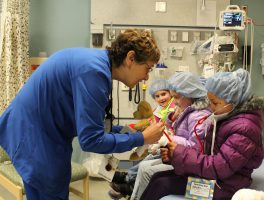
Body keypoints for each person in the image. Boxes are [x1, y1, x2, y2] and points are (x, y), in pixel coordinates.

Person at [0, 29, 165, 200]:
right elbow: (91, 140)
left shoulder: (98, 65)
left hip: (45, 132)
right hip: (35, 136)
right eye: (147, 68)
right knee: (49, 190)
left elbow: (92, 124)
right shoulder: (94, 71)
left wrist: (130, 132)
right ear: (131, 58)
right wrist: (142, 138)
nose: (146, 77)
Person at [141, 69, 264, 200]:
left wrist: (178, 152)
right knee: (157, 177)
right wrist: (173, 156)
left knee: (163, 184)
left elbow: (219, 166)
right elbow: (208, 153)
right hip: (214, 177)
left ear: (233, 100)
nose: (210, 108)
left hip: (224, 187)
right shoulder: (226, 119)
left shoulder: (244, 128)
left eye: (215, 103)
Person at [130, 72, 211, 200]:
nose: (175, 102)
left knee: (151, 175)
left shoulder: (198, 116)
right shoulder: (187, 111)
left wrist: (169, 139)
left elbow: (197, 148)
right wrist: (172, 119)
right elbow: (177, 131)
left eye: (177, 97)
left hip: (194, 169)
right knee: (154, 175)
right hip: (184, 161)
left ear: (190, 94)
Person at [109, 79, 175, 199]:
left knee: (146, 163)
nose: (161, 98)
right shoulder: (158, 109)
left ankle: (128, 181)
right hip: (155, 143)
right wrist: (132, 129)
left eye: (164, 94)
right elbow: (148, 122)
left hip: (164, 145)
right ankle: (128, 183)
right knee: (144, 160)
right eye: (157, 96)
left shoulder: (173, 109)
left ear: (171, 93)